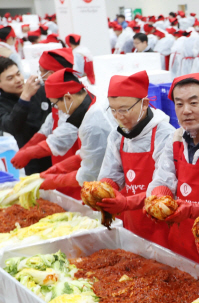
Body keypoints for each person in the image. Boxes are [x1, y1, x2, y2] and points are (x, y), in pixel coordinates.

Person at [147, 73, 199, 260]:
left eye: (193, 103)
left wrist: (191, 210)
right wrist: (160, 197)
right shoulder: (176, 138)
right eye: (179, 104)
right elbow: (163, 178)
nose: (186, 111)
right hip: (181, 241)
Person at [92, 71, 175, 246]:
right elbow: (112, 173)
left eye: (123, 109)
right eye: (113, 110)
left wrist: (127, 202)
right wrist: (103, 192)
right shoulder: (118, 136)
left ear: (144, 103)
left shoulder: (164, 134)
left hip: (159, 220)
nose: (118, 116)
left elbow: (165, 183)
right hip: (131, 220)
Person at [36, 70, 112, 198]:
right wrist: (62, 167)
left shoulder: (93, 123)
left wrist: (56, 181)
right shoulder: (93, 98)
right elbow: (91, 152)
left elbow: (90, 175)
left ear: (68, 98)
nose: (58, 109)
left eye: (56, 104)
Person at [0, 58, 51, 174]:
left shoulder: (40, 90)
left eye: (18, 74)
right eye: (10, 78)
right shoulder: (2, 104)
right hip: (28, 163)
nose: (18, 80)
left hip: (52, 152)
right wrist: (25, 97)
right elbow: (11, 126)